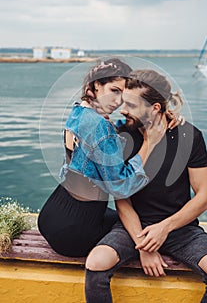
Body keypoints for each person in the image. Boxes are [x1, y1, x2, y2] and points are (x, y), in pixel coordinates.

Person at [85, 70, 207, 303]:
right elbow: (122, 200)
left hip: (180, 228)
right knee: (96, 262)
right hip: (133, 227)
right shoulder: (122, 136)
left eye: (131, 105)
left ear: (154, 108)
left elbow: (204, 197)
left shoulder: (189, 136)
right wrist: (144, 246)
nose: (123, 110)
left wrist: (164, 228)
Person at [38, 59, 178, 257]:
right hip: (76, 230)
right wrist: (149, 142)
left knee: (130, 221)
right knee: (144, 229)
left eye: (123, 95)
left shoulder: (79, 111)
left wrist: (154, 116)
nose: (119, 101)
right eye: (114, 90)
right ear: (97, 84)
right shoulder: (99, 125)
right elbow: (120, 185)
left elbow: (108, 135)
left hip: (53, 213)